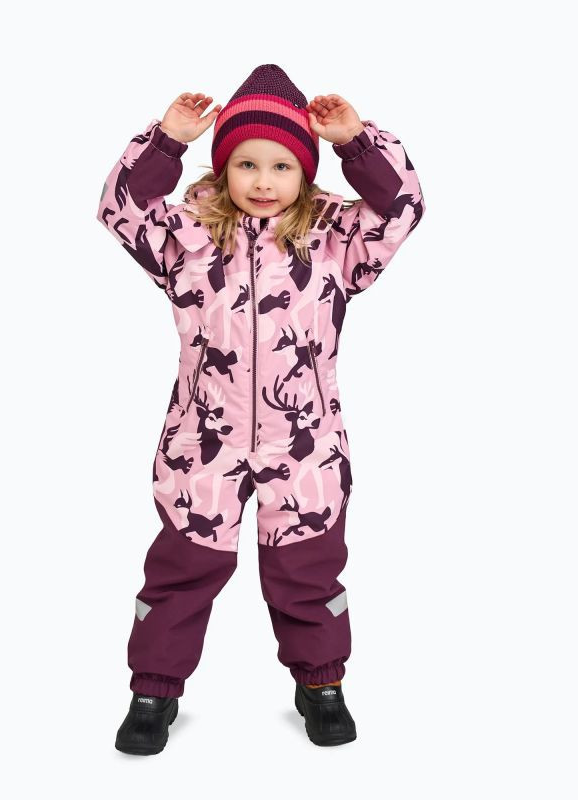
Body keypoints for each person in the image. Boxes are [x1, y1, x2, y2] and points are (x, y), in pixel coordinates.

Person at [96, 64, 425, 754]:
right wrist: (166, 142)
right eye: (247, 163)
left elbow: (401, 205)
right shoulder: (187, 239)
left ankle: (322, 683)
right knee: (182, 568)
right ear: (225, 168)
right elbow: (120, 207)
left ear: (305, 171)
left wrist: (356, 143)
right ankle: (154, 688)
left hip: (305, 442)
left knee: (308, 569)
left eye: (281, 165)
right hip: (202, 440)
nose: (264, 180)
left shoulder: (335, 242)